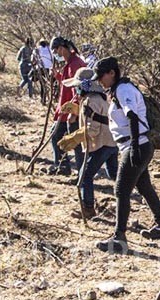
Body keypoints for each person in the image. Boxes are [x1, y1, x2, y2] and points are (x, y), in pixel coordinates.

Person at [92, 57, 160, 253]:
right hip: (137, 145)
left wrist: (134, 147)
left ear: (112, 73)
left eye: (101, 76)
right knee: (144, 186)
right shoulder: (119, 89)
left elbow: (132, 116)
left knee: (121, 190)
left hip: (136, 145)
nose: (100, 81)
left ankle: (119, 238)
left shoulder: (123, 89)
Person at [57, 67, 118, 219]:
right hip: (112, 143)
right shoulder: (100, 98)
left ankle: (88, 209)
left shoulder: (90, 100)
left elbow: (93, 129)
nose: (75, 90)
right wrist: (78, 110)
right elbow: (98, 117)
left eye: (77, 87)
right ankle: (129, 197)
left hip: (101, 144)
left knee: (85, 176)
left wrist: (74, 138)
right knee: (115, 174)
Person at [47, 36, 86, 175]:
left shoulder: (75, 64)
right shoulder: (71, 63)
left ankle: (80, 174)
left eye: (56, 50)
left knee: (75, 142)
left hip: (71, 112)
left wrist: (73, 112)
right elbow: (68, 84)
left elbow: (79, 89)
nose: (56, 54)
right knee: (60, 137)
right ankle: (63, 166)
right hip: (66, 109)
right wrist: (58, 76)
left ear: (62, 48)